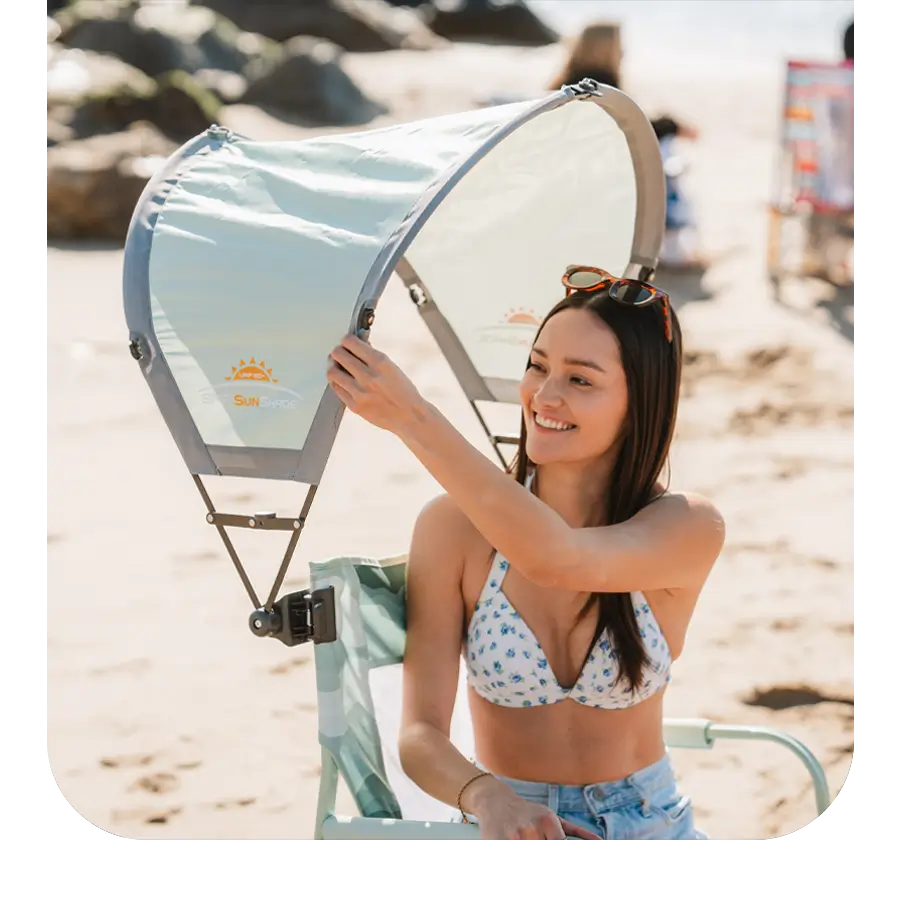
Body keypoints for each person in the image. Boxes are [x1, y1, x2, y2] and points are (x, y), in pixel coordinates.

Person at [326, 266, 726, 839]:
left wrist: (413, 419)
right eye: (538, 365)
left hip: (649, 826)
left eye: (580, 380)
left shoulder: (687, 526)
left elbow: (555, 559)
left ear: (639, 403)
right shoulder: (451, 528)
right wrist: (486, 796)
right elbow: (420, 735)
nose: (544, 394)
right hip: (507, 826)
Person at [549, 22, 704, 270]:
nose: (624, 53)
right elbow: (634, 126)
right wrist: (673, 126)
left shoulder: (564, 84)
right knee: (665, 161)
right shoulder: (599, 86)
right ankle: (670, 246)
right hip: (598, 177)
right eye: (620, 47)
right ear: (606, 50)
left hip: (570, 173)